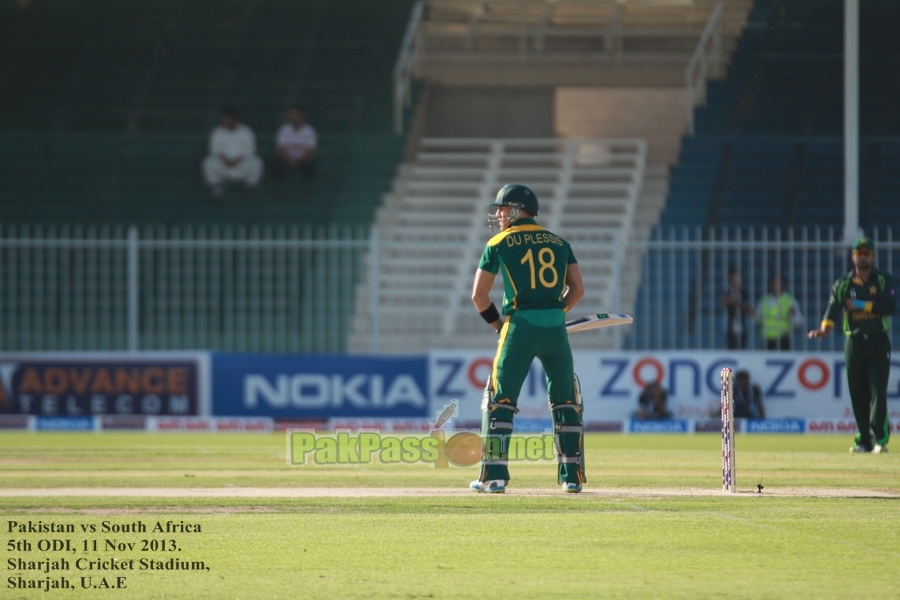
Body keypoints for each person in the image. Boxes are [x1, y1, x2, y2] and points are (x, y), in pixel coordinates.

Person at [469, 184, 585, 494]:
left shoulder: (499, 242)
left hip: (519, 326)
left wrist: (499, 327)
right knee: (565, 399)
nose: (498, 214)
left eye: (503, 209)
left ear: (518, 210)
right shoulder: (560, 243)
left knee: (499, 399)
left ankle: (493, 476)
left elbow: (479, 297)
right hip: (555, 330)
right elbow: (578, 290)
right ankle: (571, 478)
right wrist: (556, 311)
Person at [808, 236, 896, 453]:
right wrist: (823, 330)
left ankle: (880, 440)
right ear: (853, 256)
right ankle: (864, 440)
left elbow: (889, 307)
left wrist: (857, 304)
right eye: (859, 252)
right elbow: (833, 309)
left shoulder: (883, 279)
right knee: (858, 393)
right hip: (854, 342)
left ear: (873, 256)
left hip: (877, 341)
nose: (863, 256)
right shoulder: (843, 284)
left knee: (877, 390)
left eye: (867, 253)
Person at [201, 107, 264, 199]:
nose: (223, 121)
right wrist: (226, 161)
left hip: (241, 165)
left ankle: (249, 188)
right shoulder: (217, 132)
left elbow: (250, 150)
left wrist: (236, 161)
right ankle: (217, 190)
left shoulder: (246, 131)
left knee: (257, 162)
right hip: (223, 165)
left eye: (226, 118)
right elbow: (215, 151)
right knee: (208, 163)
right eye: (222, 118)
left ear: (234, 119)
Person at [271, 105, 317, 189]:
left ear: (302, 116)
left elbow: (310, 151)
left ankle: (306, 190)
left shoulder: (309, 130)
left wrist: (297, 162)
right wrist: (290, 160)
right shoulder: (283, 130)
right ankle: (279, 189)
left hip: (302, 160)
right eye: (291, 114)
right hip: (286, 160)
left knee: (310, 165)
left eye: (295, 114)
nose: (292, 116)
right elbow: (280, 149)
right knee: (276, 163)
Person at [756, 274, 804, 350]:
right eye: (774, 282)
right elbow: (757, 319)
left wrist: (793, 314)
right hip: (766, 340)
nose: (776, 285)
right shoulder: (764, 301)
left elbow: (799, 321)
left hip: (783, 340)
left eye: (779, 283)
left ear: (783, 285)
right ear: (770, 284)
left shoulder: (790, 301)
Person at [721, 267, 754, 349]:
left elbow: (750, 310)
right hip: (728, 327)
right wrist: (734, 295)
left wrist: (737, 303)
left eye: (737, 277)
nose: (735, 280)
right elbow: (724, 303)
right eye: (733, 277)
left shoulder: (744, 292)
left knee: (742, 348)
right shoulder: (726, 290)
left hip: (742, 326)